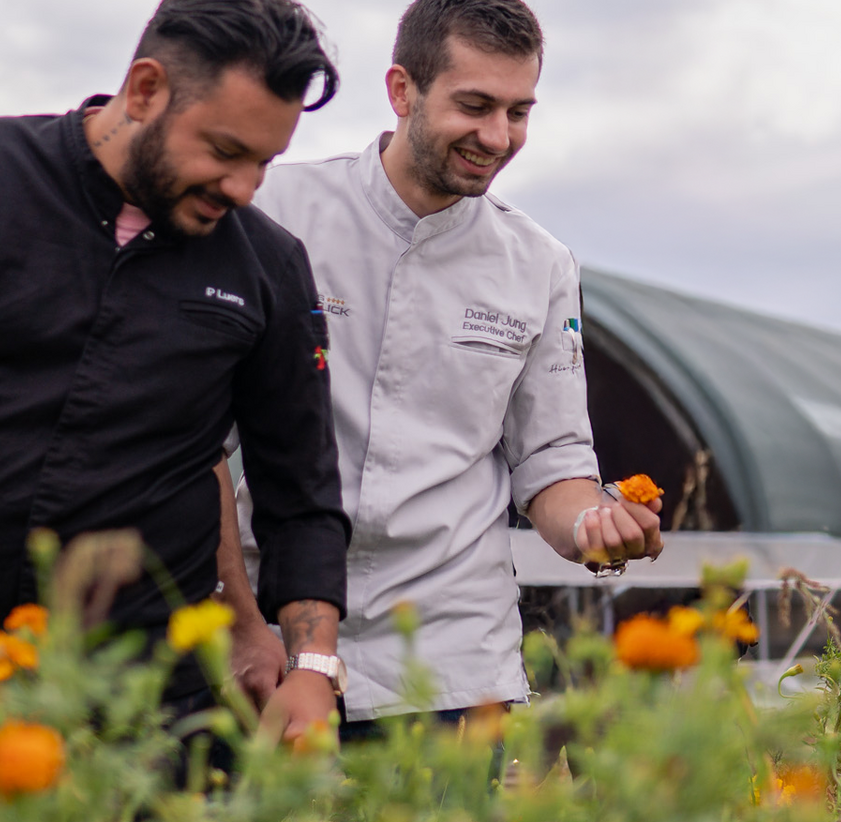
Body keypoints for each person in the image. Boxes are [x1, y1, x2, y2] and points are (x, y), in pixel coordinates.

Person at [0, 0, 350, 741]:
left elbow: (302, 491)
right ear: (145, 90)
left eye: (264, 162)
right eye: (225, 151)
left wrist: (312, 664)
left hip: (151, 705)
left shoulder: (270, 264)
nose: (244, 188)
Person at [217, 0, 663, 733]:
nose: (499, 137)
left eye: (519, 111)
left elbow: (551, 462)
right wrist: (237, 621)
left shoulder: (541, 265)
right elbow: (197, 437)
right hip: (270, 644)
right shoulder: (277, 213)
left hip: (454, 667)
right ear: (402, 91)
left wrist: (592, 524)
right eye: (476, 105)